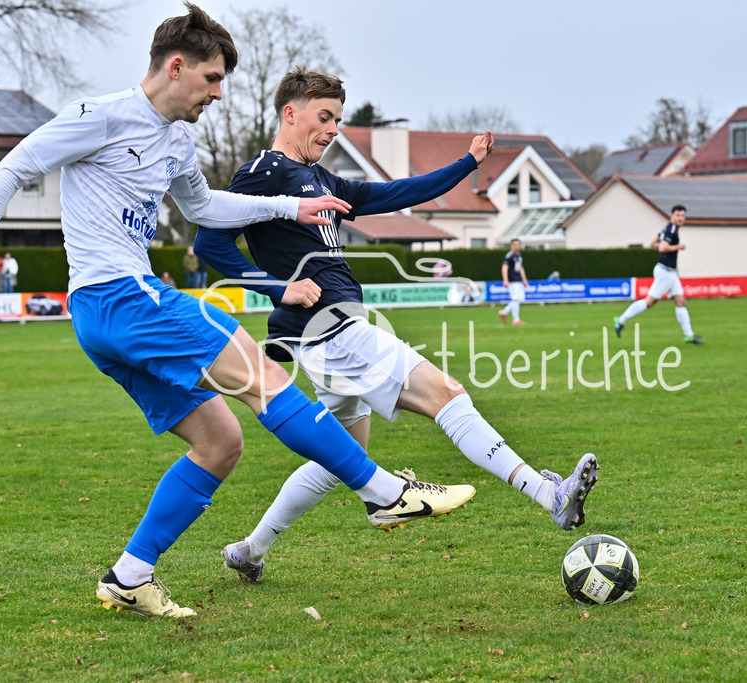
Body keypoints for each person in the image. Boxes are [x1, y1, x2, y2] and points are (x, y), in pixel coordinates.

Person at [0, 4, 473, 619]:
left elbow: (207, 209)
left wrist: (288, 209)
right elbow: (12, 168)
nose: (219, 94)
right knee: (264, 377)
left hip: (106, 318)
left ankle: (130, 575)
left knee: (219, 441)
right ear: (177, 67)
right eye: (213, 79)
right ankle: (384, 493)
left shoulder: (175, 140)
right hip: (121, 296)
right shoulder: (101, 116)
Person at [194, 67, 599, 584]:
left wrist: (467, 164)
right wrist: (281, 288)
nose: (333, 129)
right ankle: (549, 495)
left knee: (344, 455)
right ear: (289, 114)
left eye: (338, 119)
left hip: (329, 333)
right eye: (324, 117)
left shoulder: (322, 181)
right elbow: (209, 244)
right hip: (333, 330)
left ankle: (251, 550)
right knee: (447, 395)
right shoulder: (263, 174)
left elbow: (398, 194)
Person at [613, 204, 703, 344]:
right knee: (649, 302)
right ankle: (620, 320)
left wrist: (667, 246)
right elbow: (662, 247)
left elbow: (653, 243)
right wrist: (678, 247)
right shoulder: (672, 229)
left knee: (680, 302)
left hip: (671, 272)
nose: (680, 218)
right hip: (665, 271)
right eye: (678, 215)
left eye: (682, 216)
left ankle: (689, 336)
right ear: (672, 216)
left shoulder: (668, 229)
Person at [498, 238, 528, 325]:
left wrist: (524, 279)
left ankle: (504, 312)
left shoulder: (519, 255)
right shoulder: (509, 256)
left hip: (518, 280)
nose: (517, 246)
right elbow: (504, 268)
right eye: (515, 245)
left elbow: (520, 268)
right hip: (512, 281)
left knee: (519, 299)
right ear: (511, 245)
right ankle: (516, 320)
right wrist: (505, 280)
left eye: (518, 245)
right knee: (516, 299)